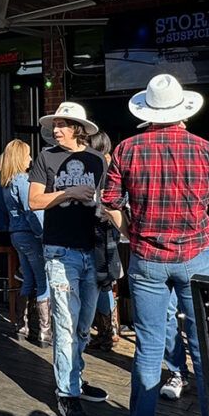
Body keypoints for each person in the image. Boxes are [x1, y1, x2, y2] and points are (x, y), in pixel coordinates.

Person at [102, 74, 209, 416]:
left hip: (147, 258)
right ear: (183, 112)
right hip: (198, 256)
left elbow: (110, 201)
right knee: (205, 351)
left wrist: (131, 231)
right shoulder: (208, 151)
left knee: (148, 351)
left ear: (148, 111)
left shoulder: (127, 150)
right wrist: (203, 211)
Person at [28, 102, 109, 416]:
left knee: (82, 324)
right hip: (61, 251)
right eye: (55, 124)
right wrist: (68, 192)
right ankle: (67, 394)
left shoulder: (98, 160)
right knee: (64, 322)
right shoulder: (46, 157)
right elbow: (34, 200)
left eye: (62, 124)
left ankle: (75, 377)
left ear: (78, 128)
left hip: (94, 248)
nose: (55, 129)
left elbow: (107, 199)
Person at [0, 140, 50, 344]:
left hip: (16, 234)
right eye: (28, 154)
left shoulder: (6, 181)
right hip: (30, 234)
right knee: (43, 279)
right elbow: (32, 211)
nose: (31, 158)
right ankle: (45, 332)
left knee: (27, 278)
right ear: (20, 157)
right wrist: (43, 234)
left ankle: (22, 326)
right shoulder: (22, 180)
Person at [87, 131, 120, 351]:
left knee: (101, 281)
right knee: (104, 281)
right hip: (107, 228)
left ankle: (107, 332)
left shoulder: (101, 167)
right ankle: (107, 330)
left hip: (101, 228)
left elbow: (103, 202)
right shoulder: (111, 165)